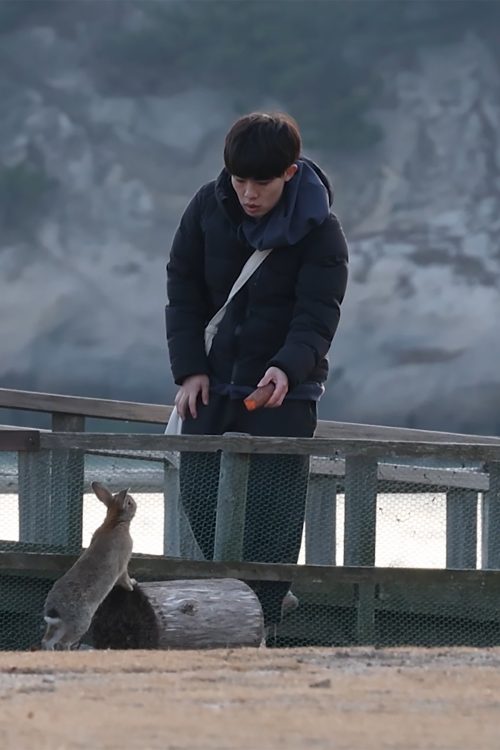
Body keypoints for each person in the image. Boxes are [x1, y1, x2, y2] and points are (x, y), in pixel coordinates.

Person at [165, 111, 348, 635]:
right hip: (210, 383)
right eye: (239, 179)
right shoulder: (207, 205)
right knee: (200, 499)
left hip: (283, 393)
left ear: (289, 174)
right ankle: (238, 606)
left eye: (262, 182)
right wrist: (189, 371)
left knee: (273, 517)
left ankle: (263, 621)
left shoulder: (322, 231)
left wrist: (289, 368)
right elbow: (183, 288)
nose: (248, 192)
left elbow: (318, 314)